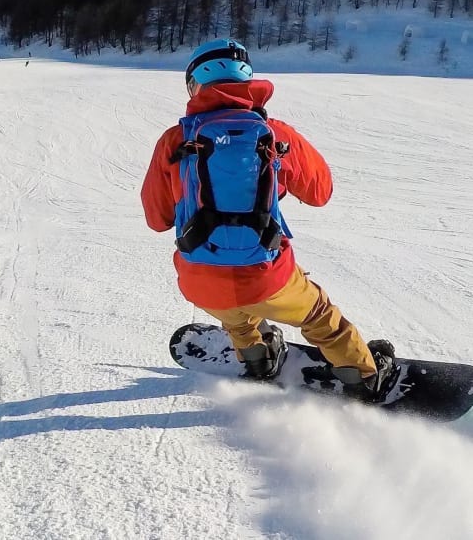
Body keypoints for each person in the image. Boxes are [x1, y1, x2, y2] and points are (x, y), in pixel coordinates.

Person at [141, 38, 397, 401]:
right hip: (267, 279)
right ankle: (363, 377)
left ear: (195, 84)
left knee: (235, 315)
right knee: (321, 319)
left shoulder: (174, 140)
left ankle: (258, 359)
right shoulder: (275, 134)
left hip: (198, 279)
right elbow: (320, 192)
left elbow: (157, 218)